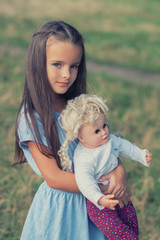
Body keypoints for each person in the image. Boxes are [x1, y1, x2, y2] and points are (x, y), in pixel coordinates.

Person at [13, 20, 131, 240]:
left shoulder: (83, 107)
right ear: (38, 64)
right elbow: (55, 178)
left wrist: (120, 174)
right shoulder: (32, 117)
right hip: (61, 211)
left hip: (96, 210)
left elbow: (107, 146)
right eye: (57, 64)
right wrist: (103, 186)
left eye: (74, 66)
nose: (67, 74)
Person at [58, 94, 152, 240]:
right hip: (99, 205)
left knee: (130, 218)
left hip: (118, 192)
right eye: (97, 131)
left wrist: (141, 155)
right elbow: (84, 182)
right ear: (81, 137)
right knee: (117, 231)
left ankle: (134, 236)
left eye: (104, 126)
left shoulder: (109, 141)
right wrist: (100, 199)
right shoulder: (84, 158)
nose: (104, 132)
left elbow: (125, 146)